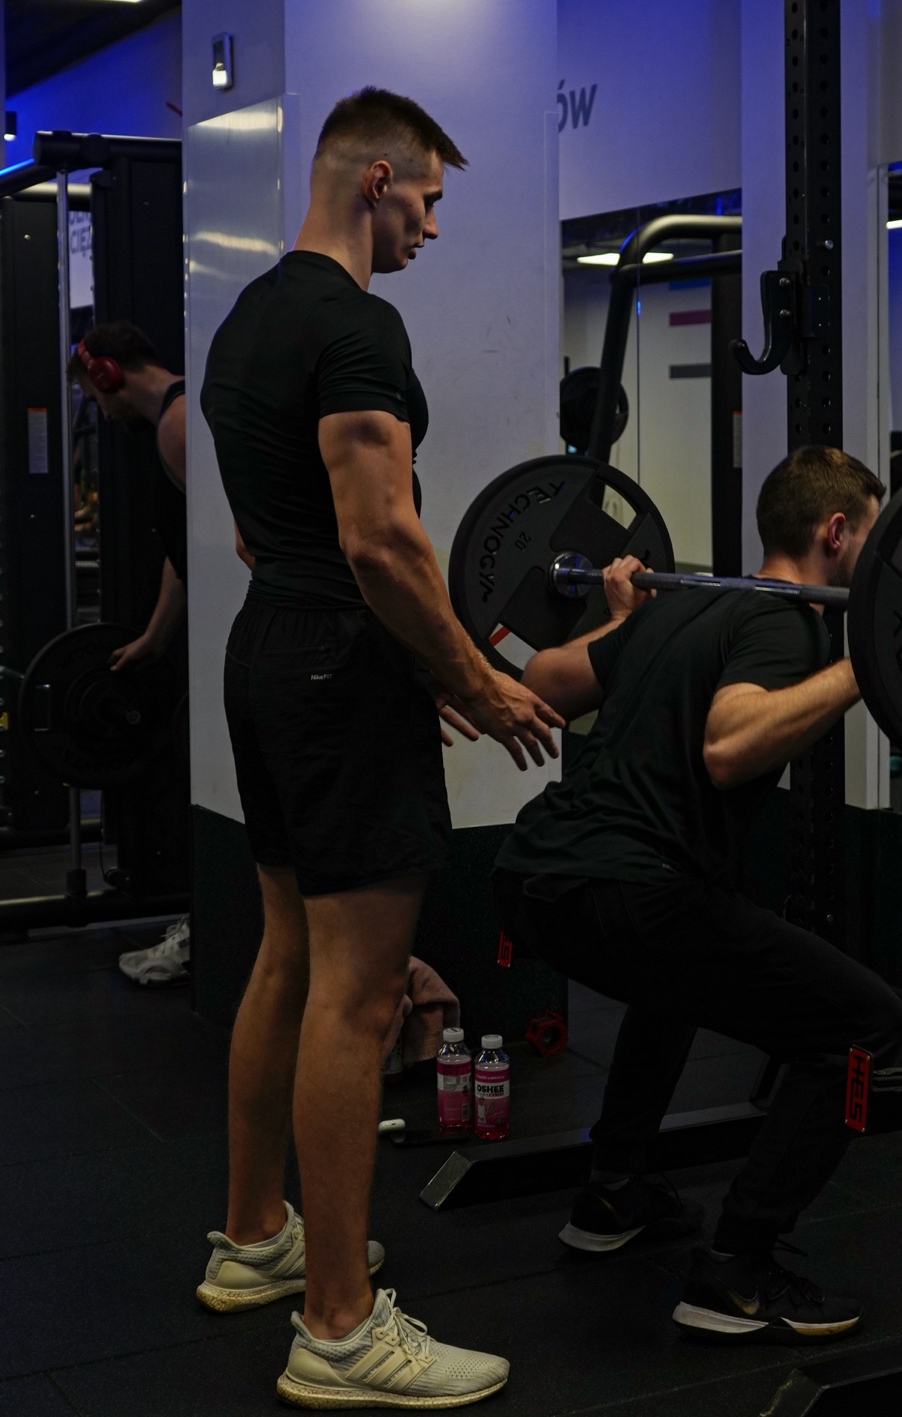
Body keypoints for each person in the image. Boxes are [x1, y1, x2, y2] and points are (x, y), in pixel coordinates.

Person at [198, 87, 564, 1410]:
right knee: (359, 993)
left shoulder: (246, 325)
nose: (432, 226)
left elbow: (265, 535)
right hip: (338, 669)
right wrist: (472, 672)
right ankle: (342, 1327)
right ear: (374, 182)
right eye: (429, 200)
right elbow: (383, 541)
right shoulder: (357, 326)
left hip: (269, 651)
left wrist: (426, 666)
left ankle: (256, 1240)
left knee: (288, 955)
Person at [494, 445, 902, 1345]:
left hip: (534, 875)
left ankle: (615, 1190)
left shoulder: (685, 608)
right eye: (873, 537)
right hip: (629, 887)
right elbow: (728, 748)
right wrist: (866, 663)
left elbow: (543, 681)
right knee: (861, 1027)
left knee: (671, 979)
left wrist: (619, 622)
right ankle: (738, 1268)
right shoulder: (790, 625)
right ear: (836, 533)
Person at [69, 322, 195, 987]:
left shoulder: (179, 426)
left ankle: (211, 929)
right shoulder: (171, 425)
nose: (100, 408)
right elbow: (185, 550)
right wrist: (156, 635)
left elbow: (236, 537)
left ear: (110, 374)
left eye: (96, 394)